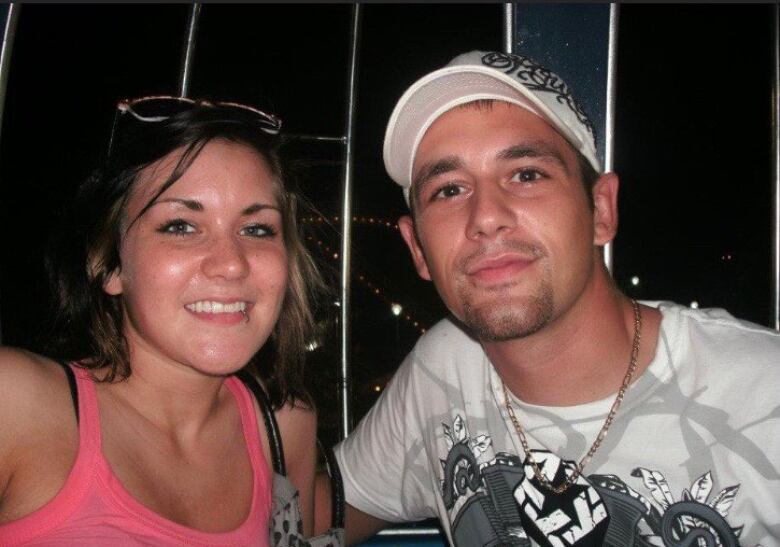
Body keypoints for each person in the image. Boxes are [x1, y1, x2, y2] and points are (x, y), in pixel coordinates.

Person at [324, 51, 780, 546]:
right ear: (418, 249)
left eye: (526, 174)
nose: (485, 217)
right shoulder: (444, 370)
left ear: (601, 209)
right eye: (449, 190)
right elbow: (321, 513)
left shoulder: (762, 391)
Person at [0, 97, 327, 545]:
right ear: (109, 265)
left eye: (257, 229)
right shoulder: (17, 406)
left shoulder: (285, 429)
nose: (231, 265)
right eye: (180, 226)